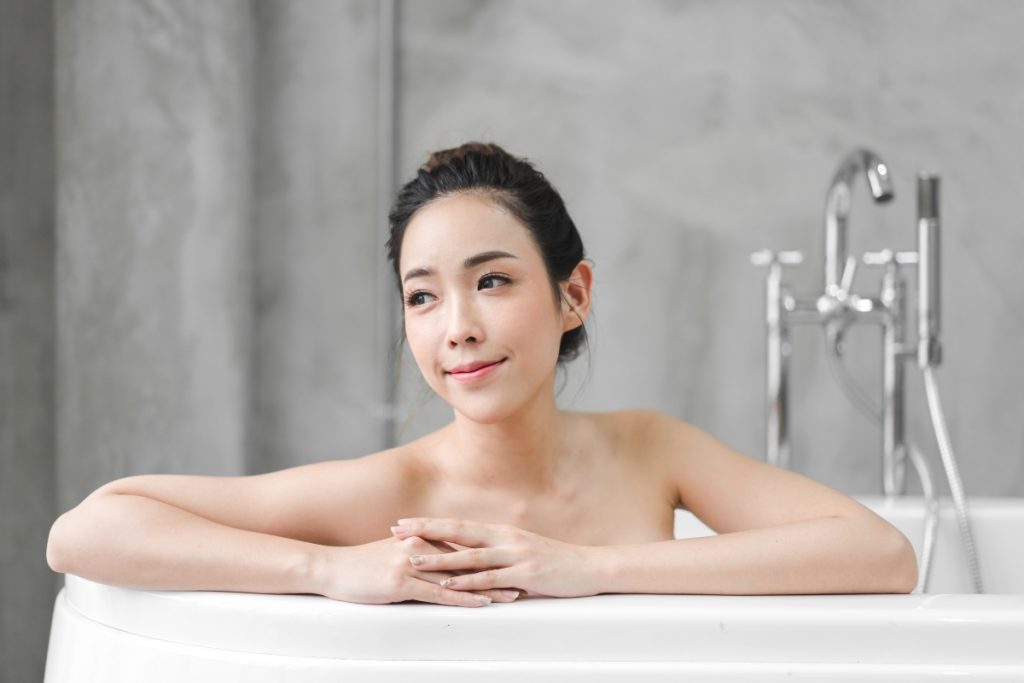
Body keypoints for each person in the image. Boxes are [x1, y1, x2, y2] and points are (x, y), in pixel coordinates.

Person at [46, 142, 919, 608]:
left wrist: (591, 568)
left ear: (572, 294)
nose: (457, 327)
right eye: (421, 298)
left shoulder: (651, 448)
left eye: (492, 281)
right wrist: (324, 570)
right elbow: (87, 530)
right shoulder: (396, 489)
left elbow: (880, 555)